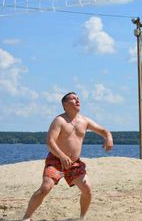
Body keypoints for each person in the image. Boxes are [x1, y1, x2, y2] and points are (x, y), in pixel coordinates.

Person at [22, 92, 114, 221]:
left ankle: (82, 218)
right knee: (45, 188)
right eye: (73, 98)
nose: (77, 100)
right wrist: (61, 155)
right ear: (65, 104)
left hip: (74, 163)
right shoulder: (59, 120)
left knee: (87, 189)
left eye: (78, 98)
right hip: (56, 160)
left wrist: (108, 138)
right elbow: (50, 141)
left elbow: (104, 131)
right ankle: (27, 217)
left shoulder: (84, 120)